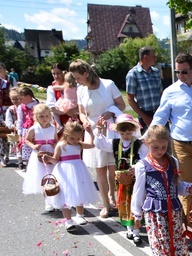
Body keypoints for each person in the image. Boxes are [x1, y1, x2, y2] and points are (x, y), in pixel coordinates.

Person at [130, 124, 192, 256]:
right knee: (160, 245)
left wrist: (188, 188)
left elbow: (177, 185)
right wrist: (136, 214)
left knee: (173, 243)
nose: (160, 150)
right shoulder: (142, 166)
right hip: (155, 213)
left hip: (174, 211)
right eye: (155, 147)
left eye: (163, 147)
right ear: (147, 144)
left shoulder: (172, 162)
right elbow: (138, 192)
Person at [149, 53, 192, 212]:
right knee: (188, 186)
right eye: (177, 72)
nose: (180, 75)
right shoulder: (170, 91)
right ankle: (189, 227)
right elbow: (161, 116)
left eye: (184, 72)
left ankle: (188, 221)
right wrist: (149, 135)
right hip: (181, 145)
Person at [70, 59, 126, 219]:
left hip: (110, 127)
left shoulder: (108, 84)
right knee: (100, 168)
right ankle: (106, 205)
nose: (76, 81)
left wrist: (111, 112)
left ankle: (114, 197)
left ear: (86, 74)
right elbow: (81, 111)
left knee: (113, 167)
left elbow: (121, 105)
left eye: (78, 77)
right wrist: (84, 120)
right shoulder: (80, 90)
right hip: (93, 129)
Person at [94, 113, 147, 244]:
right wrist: (99, 129)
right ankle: (130, 228)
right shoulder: (116, 143)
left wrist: (136, 166)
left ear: (133, 131)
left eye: (129, 133)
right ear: (118, 132)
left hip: (136, 180)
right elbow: (100, 144)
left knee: (136, 203)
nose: (126, 136)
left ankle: (136, 231)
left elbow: (146, 158)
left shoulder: (139, 144)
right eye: (123, 133)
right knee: (125, 204)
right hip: (122, 181)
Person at [44, 121, 99, 232]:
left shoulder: (79, 145)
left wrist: (91, 133)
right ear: (66, 135)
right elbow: (56, 159)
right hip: (64, 172)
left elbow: (92, 145)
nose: (75, 141)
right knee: (64, 195)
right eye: (72, 138)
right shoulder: (61, 146)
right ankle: (68, 220)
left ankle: (80, 214)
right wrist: (49, 159)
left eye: (78, 138)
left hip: (78, 171)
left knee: (79, 192)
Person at [21, 104, 58, 211]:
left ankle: (55, 199)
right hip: (40, 154)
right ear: (36, 117)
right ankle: (48, 201)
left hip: (51, 153)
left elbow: (55, 140)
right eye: (41, 116)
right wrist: (34, 146)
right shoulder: (34, 129)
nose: (44, 118)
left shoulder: (53, 128)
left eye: (47, 116)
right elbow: (27, 140)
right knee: (43, 177)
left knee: (54, 176)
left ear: (50, 116)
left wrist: (56, 146)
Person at [126, 46, 163, 133]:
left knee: (165, 142)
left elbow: (162, 94)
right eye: (153, 56)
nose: (155, 58)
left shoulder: (156, 72)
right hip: (146, 115)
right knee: (149, 144)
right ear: (145, 57)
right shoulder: (133, 74)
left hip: (160, 113)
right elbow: (130, 99)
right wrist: (144, 116)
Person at [46, 63, 78, 128]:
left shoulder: (75, 86)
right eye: (53, 74)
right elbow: (51, 106)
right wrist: (66, 111)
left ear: (64, 73)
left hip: (77, 117)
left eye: (58, 73)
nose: (56, 76)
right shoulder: (51, 88)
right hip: (62, 120)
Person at [16, 86, 39, 171]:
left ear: (28, 97)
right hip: (26, 131)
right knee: (27, 151)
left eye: (21, 99)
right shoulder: (21, 107)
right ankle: (29, 166)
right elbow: (20, 120)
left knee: (36, 149)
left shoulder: (37, 105)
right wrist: (20, 134)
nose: (20, 101)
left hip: (36, 130)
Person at [4, 88, 21, 164]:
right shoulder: (10, 109)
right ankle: (19, 160)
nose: (15, 101)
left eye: (17, 99)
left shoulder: (24, 107)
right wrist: (12, 126)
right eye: (13, 99)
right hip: (15, 129)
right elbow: (8, 121)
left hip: (24, 129)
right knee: (17, 145)